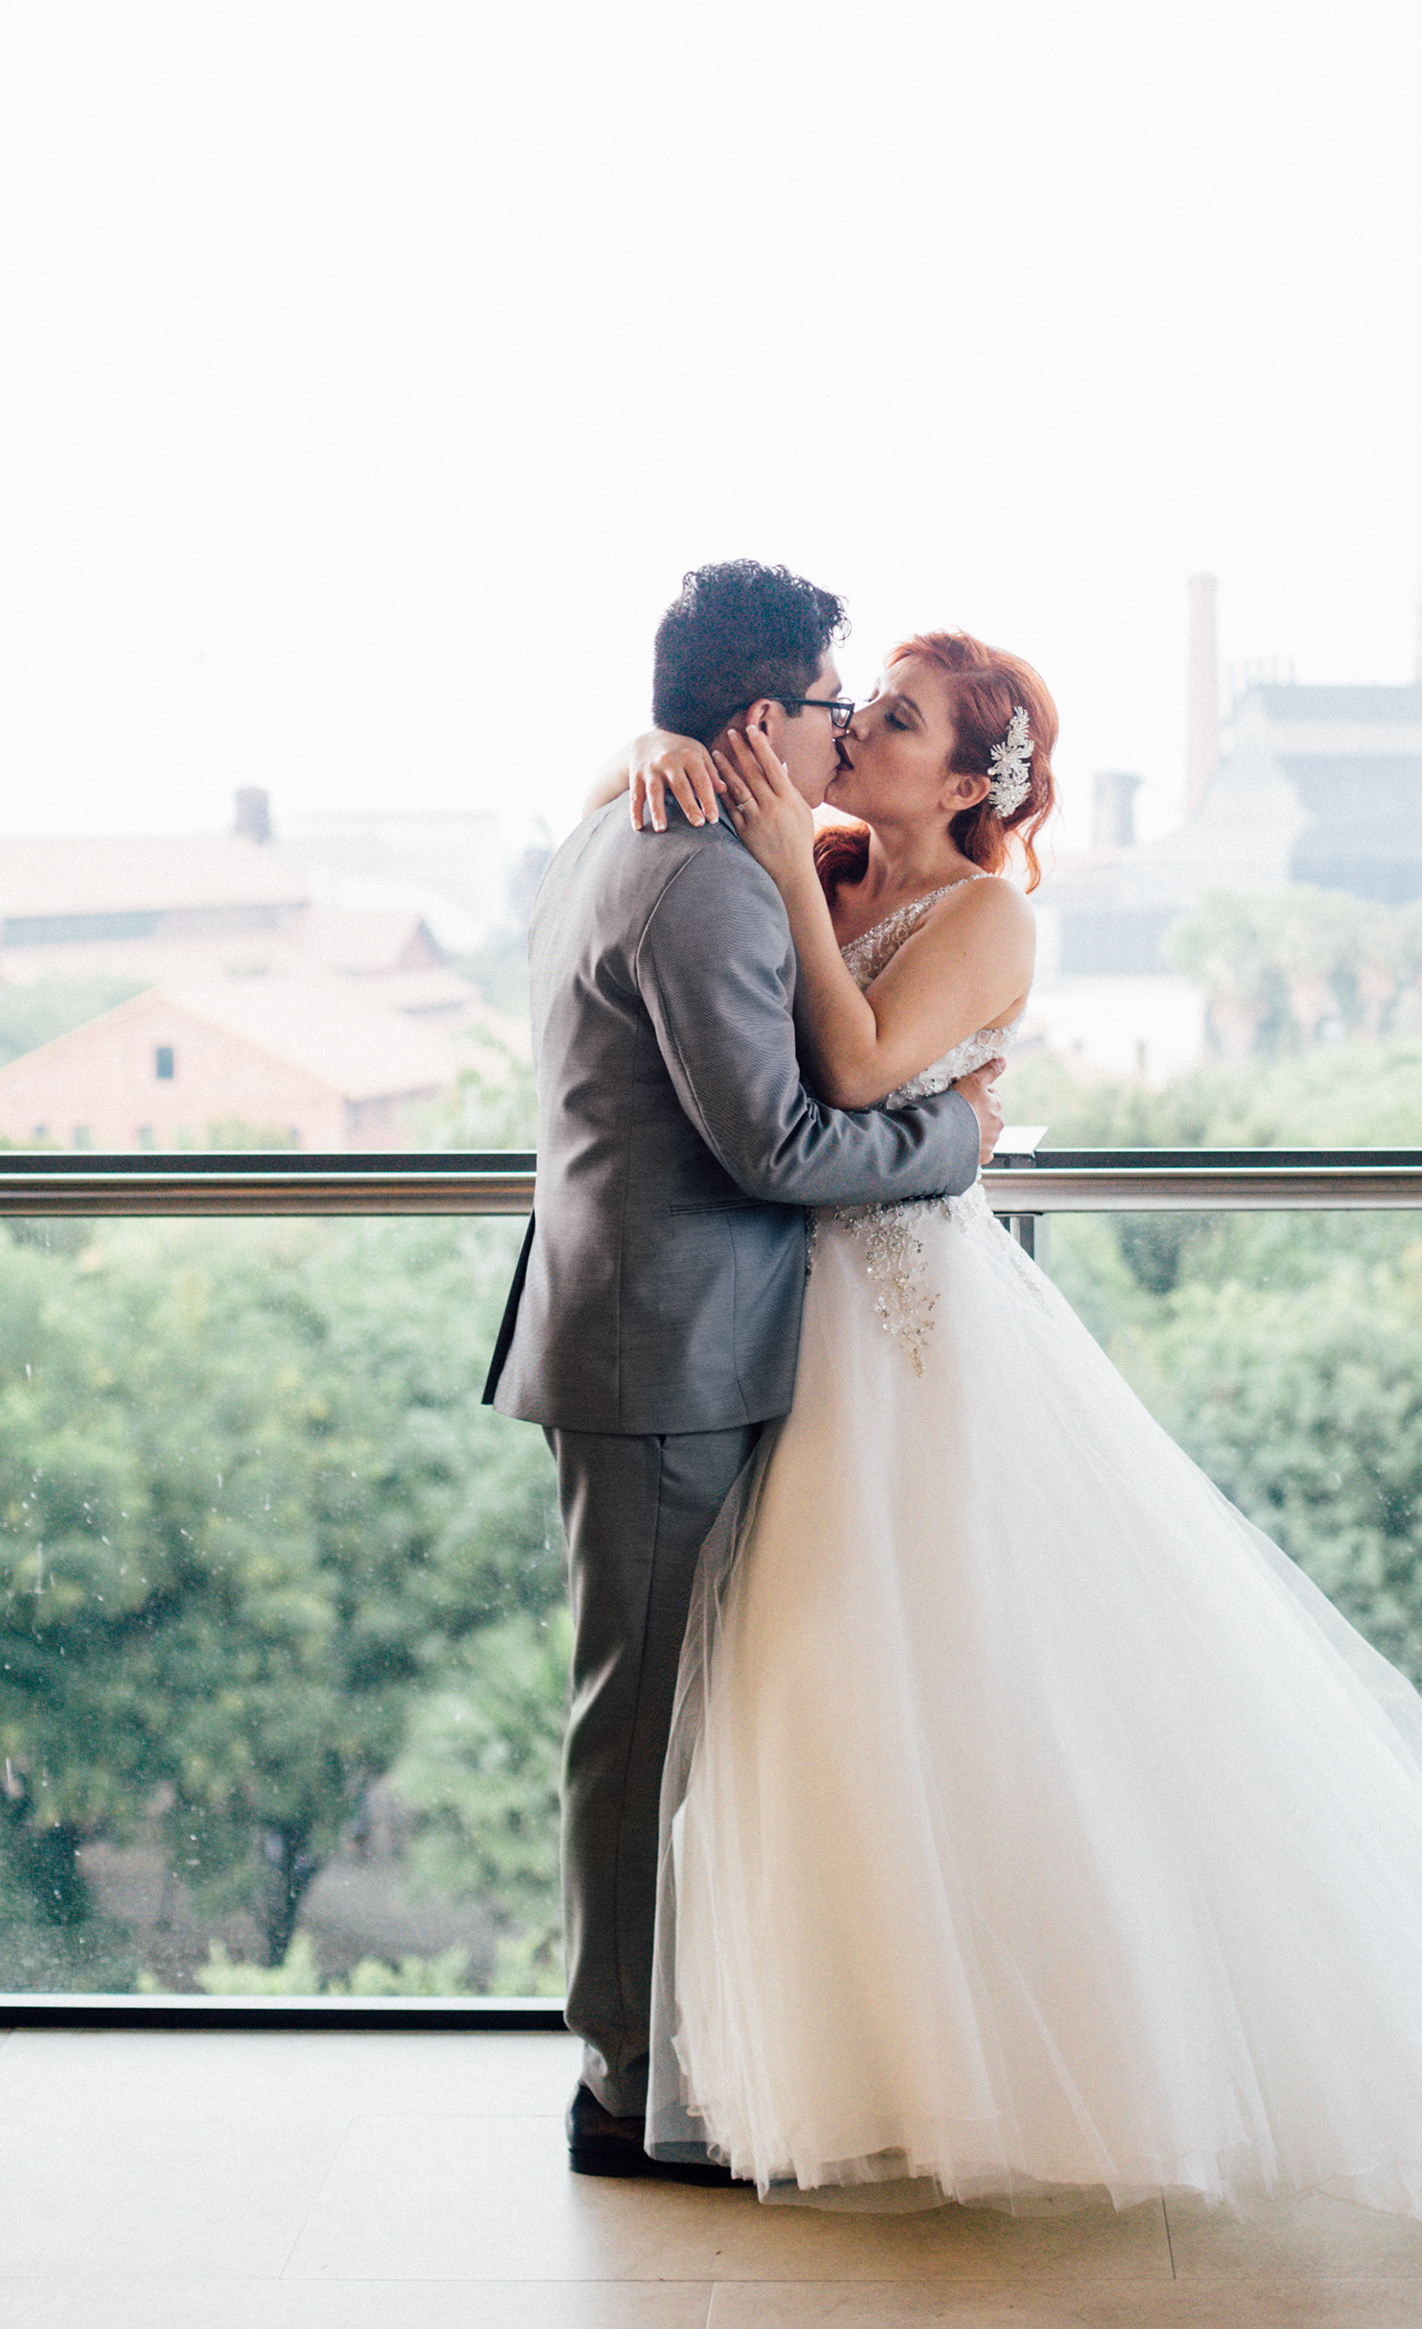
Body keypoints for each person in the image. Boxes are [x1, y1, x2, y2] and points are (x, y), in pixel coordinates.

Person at [614, 631, 1422, 2248]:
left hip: (917, 1332)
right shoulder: (827, 856)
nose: (858, 727)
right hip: (802, 1324)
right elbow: (693, 895)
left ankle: (1090, 2063)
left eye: (901, 719)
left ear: (971, 779)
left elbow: (862, 1069)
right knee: (833, 1693)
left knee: (995, 1681)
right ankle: (881, 2065)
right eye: (861, 704)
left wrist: (796, 881)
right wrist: (656, 755)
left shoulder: (986, 914)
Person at [483, 561, 1005, 2183]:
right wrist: (958, 1138)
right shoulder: (701, 873)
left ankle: (688, 2051)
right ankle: (625, 2084)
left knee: (694, 1716)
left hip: (672, 1332)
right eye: (840, 703)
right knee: (642, 1727)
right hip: (663, 1347)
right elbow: (778, 1145)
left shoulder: (620, 825)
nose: (849, 729)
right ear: (763, 717)